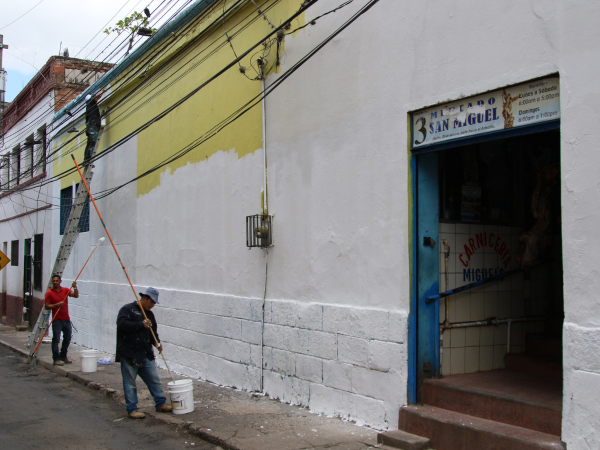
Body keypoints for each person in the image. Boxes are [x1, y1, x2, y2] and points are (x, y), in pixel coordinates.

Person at [116, 287, 172, 419]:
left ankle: (160, 403)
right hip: (129, 353)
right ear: (145, 298)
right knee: (130, 383)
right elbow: (122, 324)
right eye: (151, 302)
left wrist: (157, 343)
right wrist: (141, 324)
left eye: (154, 303)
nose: (152, 305)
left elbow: (153, 332)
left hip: (145, 353)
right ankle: (132, 409)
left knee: (154, 379)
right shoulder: (128, 310)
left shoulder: (150, 314)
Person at [44, 274, 79, 366]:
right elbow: (46, 306)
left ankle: (63, 355)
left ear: (60, 281)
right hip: (56, 320)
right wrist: (56, 305)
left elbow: (75, 295)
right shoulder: (49, 293)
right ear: (52, 282)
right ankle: (56, 359)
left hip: (66, 319)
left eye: (57, 280)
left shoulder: (65, 290)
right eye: (54, 281)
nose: (55, 282)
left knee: (67, 338)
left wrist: (75, 287)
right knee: (56, 339)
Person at [84, 92, 102, 162]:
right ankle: (89, 160)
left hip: (90, 127)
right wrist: (102, 89)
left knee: (89, 144)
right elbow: (99, 95)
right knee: (92, 143)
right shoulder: (91, 103)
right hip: (93, 127)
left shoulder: (88, 106)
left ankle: (86, 160)